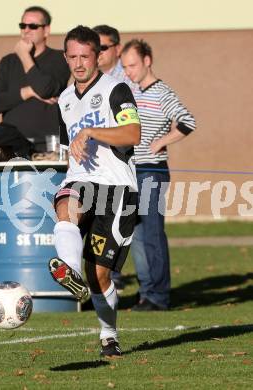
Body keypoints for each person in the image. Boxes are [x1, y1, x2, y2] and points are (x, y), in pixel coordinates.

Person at [48, 26, 141, 357]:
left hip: (117, 187)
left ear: (98, 55)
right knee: (66, 202)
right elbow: (67, 147)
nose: (78, 63)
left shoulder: (117, 88)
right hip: (81, 180)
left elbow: (132, 134)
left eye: (84, 56)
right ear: (65, 57)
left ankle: (109, 333)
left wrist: (91, 131)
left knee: (99, 273)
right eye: (72, 56)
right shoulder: (64, 98)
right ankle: (69, 270)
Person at [121, 39, 196, 311]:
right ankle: (146, 292)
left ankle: (158, 296)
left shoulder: (161, 92)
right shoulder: (132, 90)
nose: (128, 71)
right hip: (132, 171)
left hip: (152, 172)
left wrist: (163, 140)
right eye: (125, 67)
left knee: (152, 234)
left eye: (132, 65)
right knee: (137, 236)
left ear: (147, 61)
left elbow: (188, 121)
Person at [0, 6, 70, 152]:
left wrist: (24, 56)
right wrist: (28, 92)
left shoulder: (60, 58)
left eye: (33, 26)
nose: (26, 30)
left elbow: (45, 90)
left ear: (46, 30)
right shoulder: (8, 62)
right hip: (12, 144)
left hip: (48, 145)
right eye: (23, 25)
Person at [93, 24, 137, 292]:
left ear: (117, 49)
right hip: (100, 171)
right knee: (100, 229)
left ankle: (154, 296)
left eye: (103, 47)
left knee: (141, 237)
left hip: (132, 165)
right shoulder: (87, 83)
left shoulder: (126, 82)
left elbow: (133, 129)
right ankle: (103, 283)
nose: (97, 53)